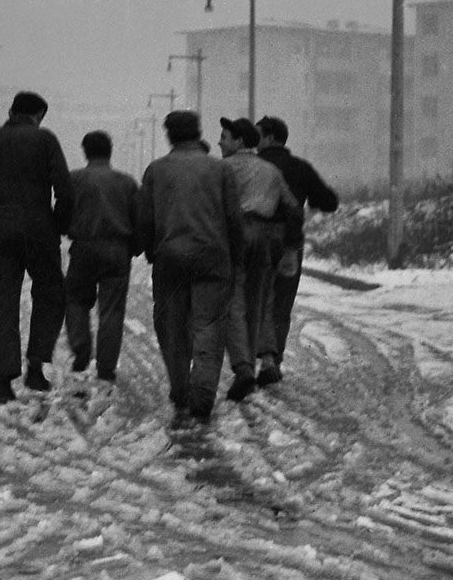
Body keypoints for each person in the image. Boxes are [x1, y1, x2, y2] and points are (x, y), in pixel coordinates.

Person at [0, 90, 71, 404]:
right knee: (50, 293)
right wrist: (58, 225)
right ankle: (35, 365)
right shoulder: (45, 140)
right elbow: (65, 189)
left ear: (11, 111)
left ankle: (2, 383)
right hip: (38, 231)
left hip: (0, 233)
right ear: (38, 116)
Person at [133, 109, 242, 421]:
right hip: (212, 258)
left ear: (169, 134)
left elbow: (145, 218)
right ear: (197, 132)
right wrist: (236, 256)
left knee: (172, 326)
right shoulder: (219, 170)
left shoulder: (156, 170)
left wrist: (149, 250)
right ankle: (203, 390)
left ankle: (180, 388)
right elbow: (234, 219)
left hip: (170, 259)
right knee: (209, 325)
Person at [216, 117, 299, 400]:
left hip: (236, 235)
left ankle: (244, 370)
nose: (219, 142)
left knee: (233, 302)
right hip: (266, 237)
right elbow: (293, 208)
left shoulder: (222, 169)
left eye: (225, 137)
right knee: (263, 301)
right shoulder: (271, 170)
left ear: (239, 141)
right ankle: (268, 360)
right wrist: (290, 244)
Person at [253, 114, 340, 383]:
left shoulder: (255, 165)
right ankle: (274, 359)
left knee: (258, 300)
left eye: (258, 135)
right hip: (290, 242)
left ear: (269, 138)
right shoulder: (300, 167)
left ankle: (263, 358)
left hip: (258, 239)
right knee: (281, 303)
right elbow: (328, 201)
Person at [62, 129, 139, 383]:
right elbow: (139, 219)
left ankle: (82, 350)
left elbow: (62, 214)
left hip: (84, 248)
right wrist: (134, 247)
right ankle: (106, 368)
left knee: (75, 300)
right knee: (112, 311)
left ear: (85, 151)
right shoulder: (126, 182)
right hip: (117, 250)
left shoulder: (74, 179)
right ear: (110, 151)